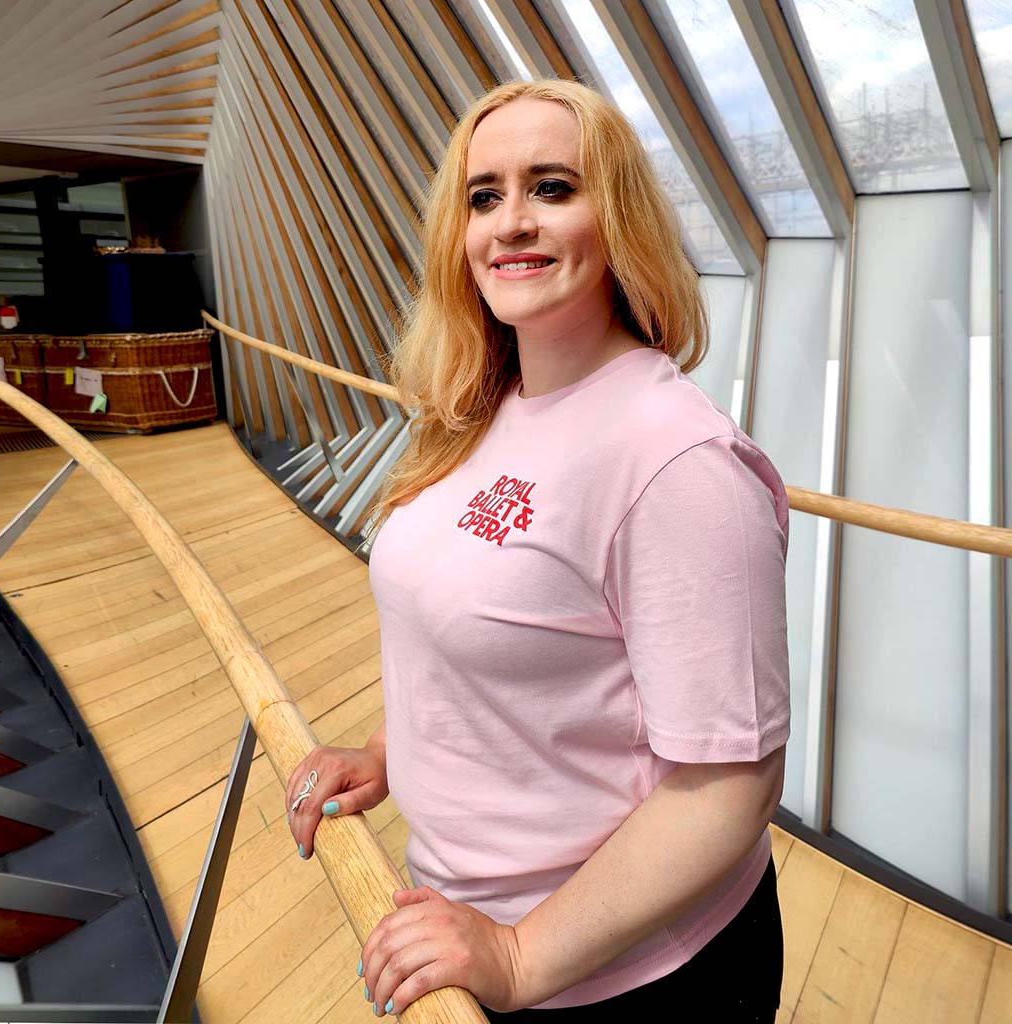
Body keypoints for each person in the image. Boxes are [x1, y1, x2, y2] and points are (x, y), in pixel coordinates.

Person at [285, 78, 790, 1021]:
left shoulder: (676, 462)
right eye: (485, 196)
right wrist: (392, 752)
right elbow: (477, 629)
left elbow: (726, 788)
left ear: (619, 221)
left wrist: (518, 956)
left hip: (624, 974)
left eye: (552, 188)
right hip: (473, 926)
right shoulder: (480, 407)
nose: (511, 222)